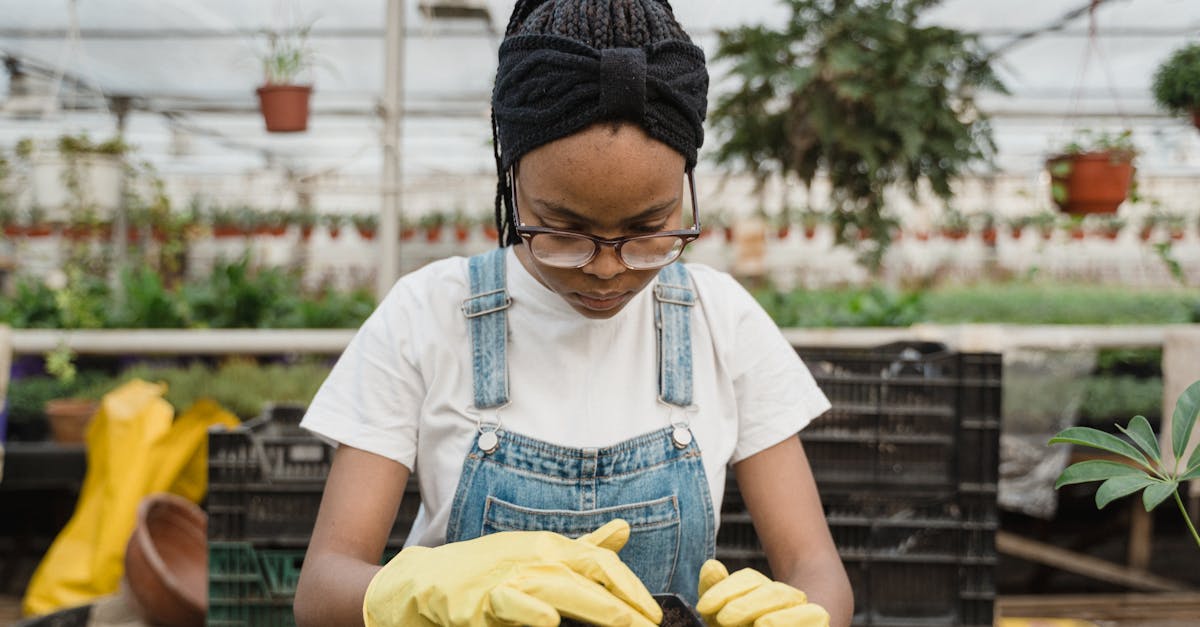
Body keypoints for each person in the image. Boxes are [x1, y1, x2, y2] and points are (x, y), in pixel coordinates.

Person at [293, 1, 853, 625]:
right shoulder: (427, 316)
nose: (607, 268)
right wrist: (417, 591)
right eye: (563, 229)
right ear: (511, 181)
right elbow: (320, 591)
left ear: (686, 187)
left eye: (648, 228)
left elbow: (815, 567)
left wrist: (806, 613)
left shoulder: (721, 321)